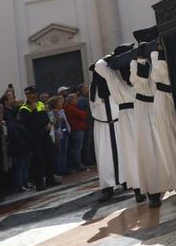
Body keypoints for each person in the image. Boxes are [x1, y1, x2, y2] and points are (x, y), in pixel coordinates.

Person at [136, 27, 176, 208]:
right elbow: (158, 75)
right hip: (164, 101)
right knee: (172, 147)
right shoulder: (151, 59)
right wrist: (155, 55)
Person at [92, 48, 152, 204]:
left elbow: (99, 65)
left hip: (126, 115)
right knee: (146, 149)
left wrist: (112, 58)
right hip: (141, 111)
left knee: (132, 154)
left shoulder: (112, 76)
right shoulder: (134, 71)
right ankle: (149, 186)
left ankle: (139, 189)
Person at [88, 65, 123, 199]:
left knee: (121, 152)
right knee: (104, 156)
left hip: (117, 123)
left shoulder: (114, 81)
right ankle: (107, 186)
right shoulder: (93, 87)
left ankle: (125, 180)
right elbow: (93, 107)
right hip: (102, 126)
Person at [17, 87, 59, 190]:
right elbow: (30, 123)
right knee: (38, 159)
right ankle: (39, 183)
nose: (33, 95)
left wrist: (49, 123)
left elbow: (45, 116)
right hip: (35, 135)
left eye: (35, 93)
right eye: (31, 94)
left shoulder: (40, 104)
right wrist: (34, 110)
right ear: (27, 95)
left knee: (50, 155)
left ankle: (50, 179)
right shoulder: (24, 108)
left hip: (45, 133)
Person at [62, 89, 88, 173]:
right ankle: (78, 164)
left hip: (76, 129)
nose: (77, 100)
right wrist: (83, 112)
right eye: (75, 99)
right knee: (77, 148)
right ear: (71, 100)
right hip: (77, 130)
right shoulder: (71, 108)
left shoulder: (71, 107)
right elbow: (83, 115)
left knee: (77, 148)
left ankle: (78, 163)